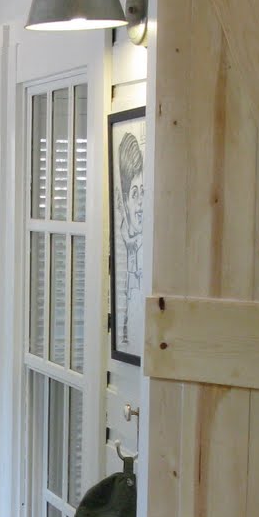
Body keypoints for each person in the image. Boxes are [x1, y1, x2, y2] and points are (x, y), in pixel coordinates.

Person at [115, 128, 143, 350]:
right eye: (135, 193)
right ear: (123, 201)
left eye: (144, 191)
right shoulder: (126, 239)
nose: (141, 202)